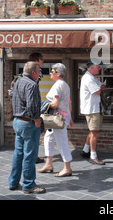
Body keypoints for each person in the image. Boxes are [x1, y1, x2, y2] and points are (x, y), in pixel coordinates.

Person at [8, 61, 45, 194]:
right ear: (34, 73)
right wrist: (36, 120)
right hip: (28, 123)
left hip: (17, 121)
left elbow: (11, 97)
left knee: (18, 153)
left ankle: (13, 182)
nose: (40, 74)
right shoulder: (32, 85)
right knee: (30, 155)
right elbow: (32, 106)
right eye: (39, 71)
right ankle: (29, 184)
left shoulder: (17, 82)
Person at [38, 63, 74, 177]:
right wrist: (70, 117)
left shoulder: (58, 85)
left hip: (57, 118)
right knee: (48, 138)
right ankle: (49, 163)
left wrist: (44, 105)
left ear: (58, 73)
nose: (50, 73)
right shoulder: (64, 85)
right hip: (61, 117)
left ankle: (67, 167)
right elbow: (69, 102)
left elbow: (55, 103)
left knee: (62, 141)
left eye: (52, 71)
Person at [79, 58, 106, 165]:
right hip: (92, 108)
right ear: (91, 67)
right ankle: (93, 156)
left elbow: (102, 86)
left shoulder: (92, 78)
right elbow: (98, 91)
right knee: (95, 132)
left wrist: (100, 87)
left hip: (94, 108)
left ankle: (86, 150)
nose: (100, 68)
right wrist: (100, 87)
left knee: (92, 131)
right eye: (98, 66)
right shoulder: (88, 78)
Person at [28, 52, 45, 164]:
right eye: (42, 59)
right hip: (31, 109)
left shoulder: (25, 71)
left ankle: (32, 155)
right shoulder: (36, 73)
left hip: (22, 111)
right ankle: (33, 156)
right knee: (34, 134)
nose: (43, 62)